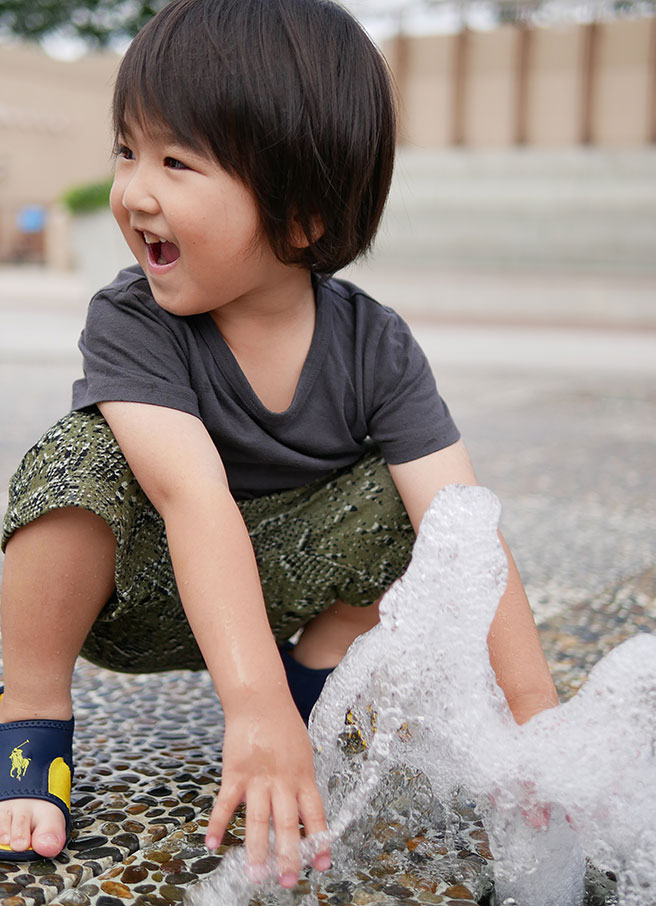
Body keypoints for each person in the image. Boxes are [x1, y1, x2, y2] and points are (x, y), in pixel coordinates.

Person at [0, 0, 558, 886]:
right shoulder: (132, 322)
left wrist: (540, 730)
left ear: (300, 218)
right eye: (126, 149)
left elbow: (465, 535)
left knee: (419, 510)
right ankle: (30, 720)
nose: (134, 191)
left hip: (281, 588)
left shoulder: (376, 347)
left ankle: (304, 707)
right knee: (77, 460)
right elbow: (191, 498)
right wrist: (242, 701)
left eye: (175, 161)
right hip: (139, 589)